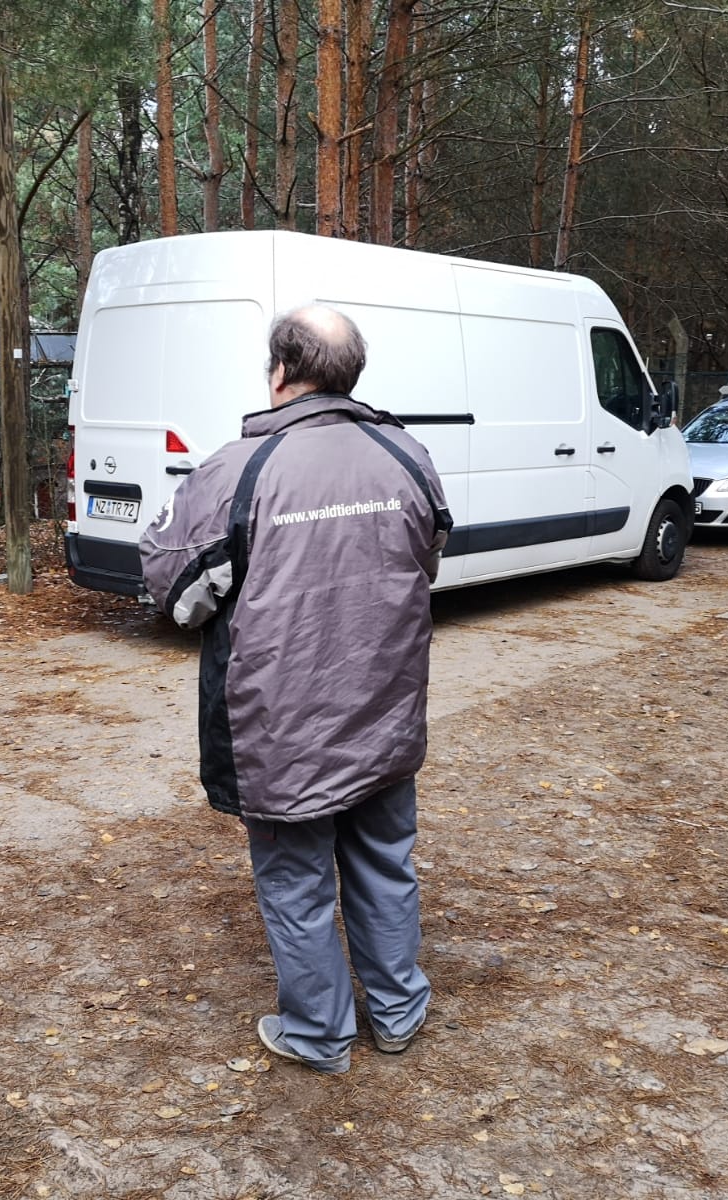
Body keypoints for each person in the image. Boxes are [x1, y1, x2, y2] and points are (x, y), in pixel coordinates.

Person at [140, 305, 451, 1074]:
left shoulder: (236, 470)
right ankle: (398, 1012)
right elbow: (430, 555)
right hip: (384, 717)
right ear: (351, 374)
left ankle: (318, 1033)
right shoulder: (407, 456)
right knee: (385, 865)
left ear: (280, 371)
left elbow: (174, 591)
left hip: (282, 736)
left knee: (296, 884)